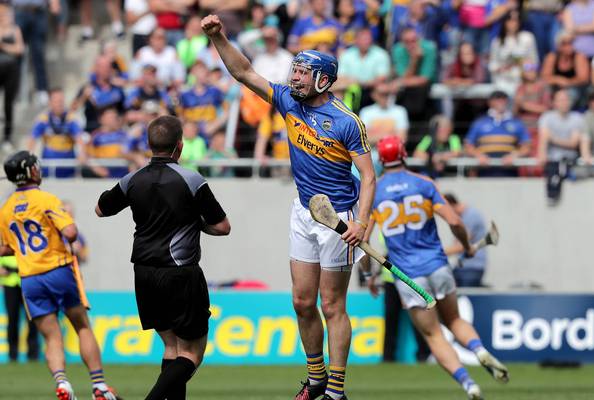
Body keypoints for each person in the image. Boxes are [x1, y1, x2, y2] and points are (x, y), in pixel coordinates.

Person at [201, 14, 375, 400]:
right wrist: (219, 37)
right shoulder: (287, 101)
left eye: (301, 73)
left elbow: (369, 177)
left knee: (332, 305)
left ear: (323, 81)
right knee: (301, 301)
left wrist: (361, 222)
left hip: (340, 218)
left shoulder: (348, 122)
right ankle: (315, 380)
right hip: (303, 211)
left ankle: (336, 391)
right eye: (293, 71)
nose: (293, 78)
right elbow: (244, 72)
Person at [363, 136, 509, 400]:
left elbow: (362, 241)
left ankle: (469, 384)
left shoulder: (375, 193)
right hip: (438, 265)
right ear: (405, 154)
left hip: (408, 278)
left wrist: (367, 274)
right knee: (454, 320)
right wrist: (467, 245)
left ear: (382, 161)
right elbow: (454, 220)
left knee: (434, 335)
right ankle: (478, 349)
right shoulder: (424, 183)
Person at [95, 115, 231, 400]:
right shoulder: (191, 179)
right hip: (180, 273)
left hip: (144, 273)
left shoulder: (132, 180)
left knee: (171, 348)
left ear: (148, 145)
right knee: (192, 353)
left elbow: (100, 209)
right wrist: (197, 224)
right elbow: (222, 227)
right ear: (179, 147)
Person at [0, 151, 120, 400]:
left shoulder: (6, 208)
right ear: (31, 171)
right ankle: (99, 386)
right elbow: (71, 232)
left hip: (30, 278)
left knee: (51, 336)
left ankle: (63, 384)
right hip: (58, 270)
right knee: (81, 326)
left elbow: (3, 248)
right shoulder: (45, 199)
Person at [464, 90, 531, 177]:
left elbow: (527, 146)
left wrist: (515, 155)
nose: (501, 102)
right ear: (490, 102)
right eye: (497, 99)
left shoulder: (517, 122)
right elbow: (468, 145)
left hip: (509, 171)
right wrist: (478, 155)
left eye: (503, 99)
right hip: (484, 172)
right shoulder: (479, 122)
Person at [537, 89, 585, 206]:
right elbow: (543, 139)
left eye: (566, 100)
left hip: (571, 159)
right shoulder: (547, 117)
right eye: (561, 100)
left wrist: (553, 139)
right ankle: (552, 194)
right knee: (554, 169)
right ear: (554, 102)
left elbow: (573, 143)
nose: (564, 103)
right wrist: (541, 154)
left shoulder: (577, 118)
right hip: (553, 159)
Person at [443, 193, 488, 287]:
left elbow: (462, 246)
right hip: (463, 267)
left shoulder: (470, 216)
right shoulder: (462, 217)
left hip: (471, 267)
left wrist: (438, 253)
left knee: (464, 298)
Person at [0, 255, 39, 362]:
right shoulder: (5, 238)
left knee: (32, 318)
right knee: (12, 319)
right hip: (10, 281)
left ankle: (33, 354)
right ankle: (12, 354)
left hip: (28, 281)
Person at [0, 1, 24, 149]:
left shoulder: (15, 30)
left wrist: (3, 46)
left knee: (9, 104)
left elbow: (19, 49)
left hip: (11, 71)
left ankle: (7, 136)